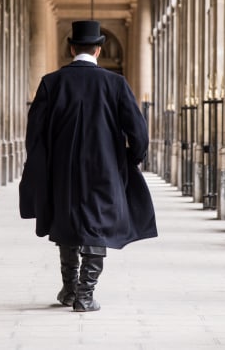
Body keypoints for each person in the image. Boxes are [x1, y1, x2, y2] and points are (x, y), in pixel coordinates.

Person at [19, 20, 157, 312]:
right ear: (98, 49)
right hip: (104, 168)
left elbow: (35, 134)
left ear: (71, 47)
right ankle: (85, 294)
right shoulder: (115, 83)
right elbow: (139, 133)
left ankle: (70, 289)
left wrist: (41, 166)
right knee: (96, 224)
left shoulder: (51, 82)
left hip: (62, 168)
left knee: (66, 220)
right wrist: (129, 160)